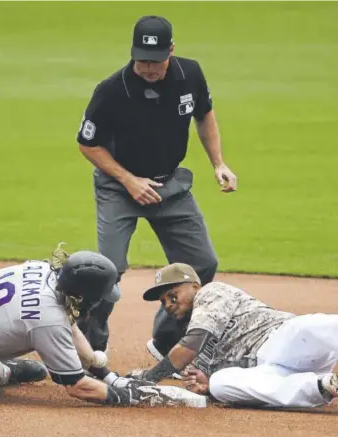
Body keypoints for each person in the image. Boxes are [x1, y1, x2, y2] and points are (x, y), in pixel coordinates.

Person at [76, 15, 237, 358]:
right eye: (143, 60)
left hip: (170, 186)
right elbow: (87, 143)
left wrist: (218, 162)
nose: (149, 68)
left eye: (156, 60)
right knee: (107, 270)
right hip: (119, 188)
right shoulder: (111, 90)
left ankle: (166, 340)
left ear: (172, 51)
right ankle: (91, 348)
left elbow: (205, 114)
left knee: (202, 265)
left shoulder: (189, 73)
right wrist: (129, 181)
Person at [0, 246, 204, 408]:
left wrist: (105, 372)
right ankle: (1, 370)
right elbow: (78, 387)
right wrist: (125, 394)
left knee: (18, 333)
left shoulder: (43, 269)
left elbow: (63, 319)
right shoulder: (46, 319)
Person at [126, 263, 338, 408]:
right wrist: (207, 385)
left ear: (194, 286)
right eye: (163, 302)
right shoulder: (196, 352)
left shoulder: (211, 293)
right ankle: (324, 385)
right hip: (270, 370)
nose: (169, 305)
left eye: (173, 295)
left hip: (285, 342)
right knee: (220, 384)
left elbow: (190, 344)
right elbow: (234, 378)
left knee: (304, 328)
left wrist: (149, 378)